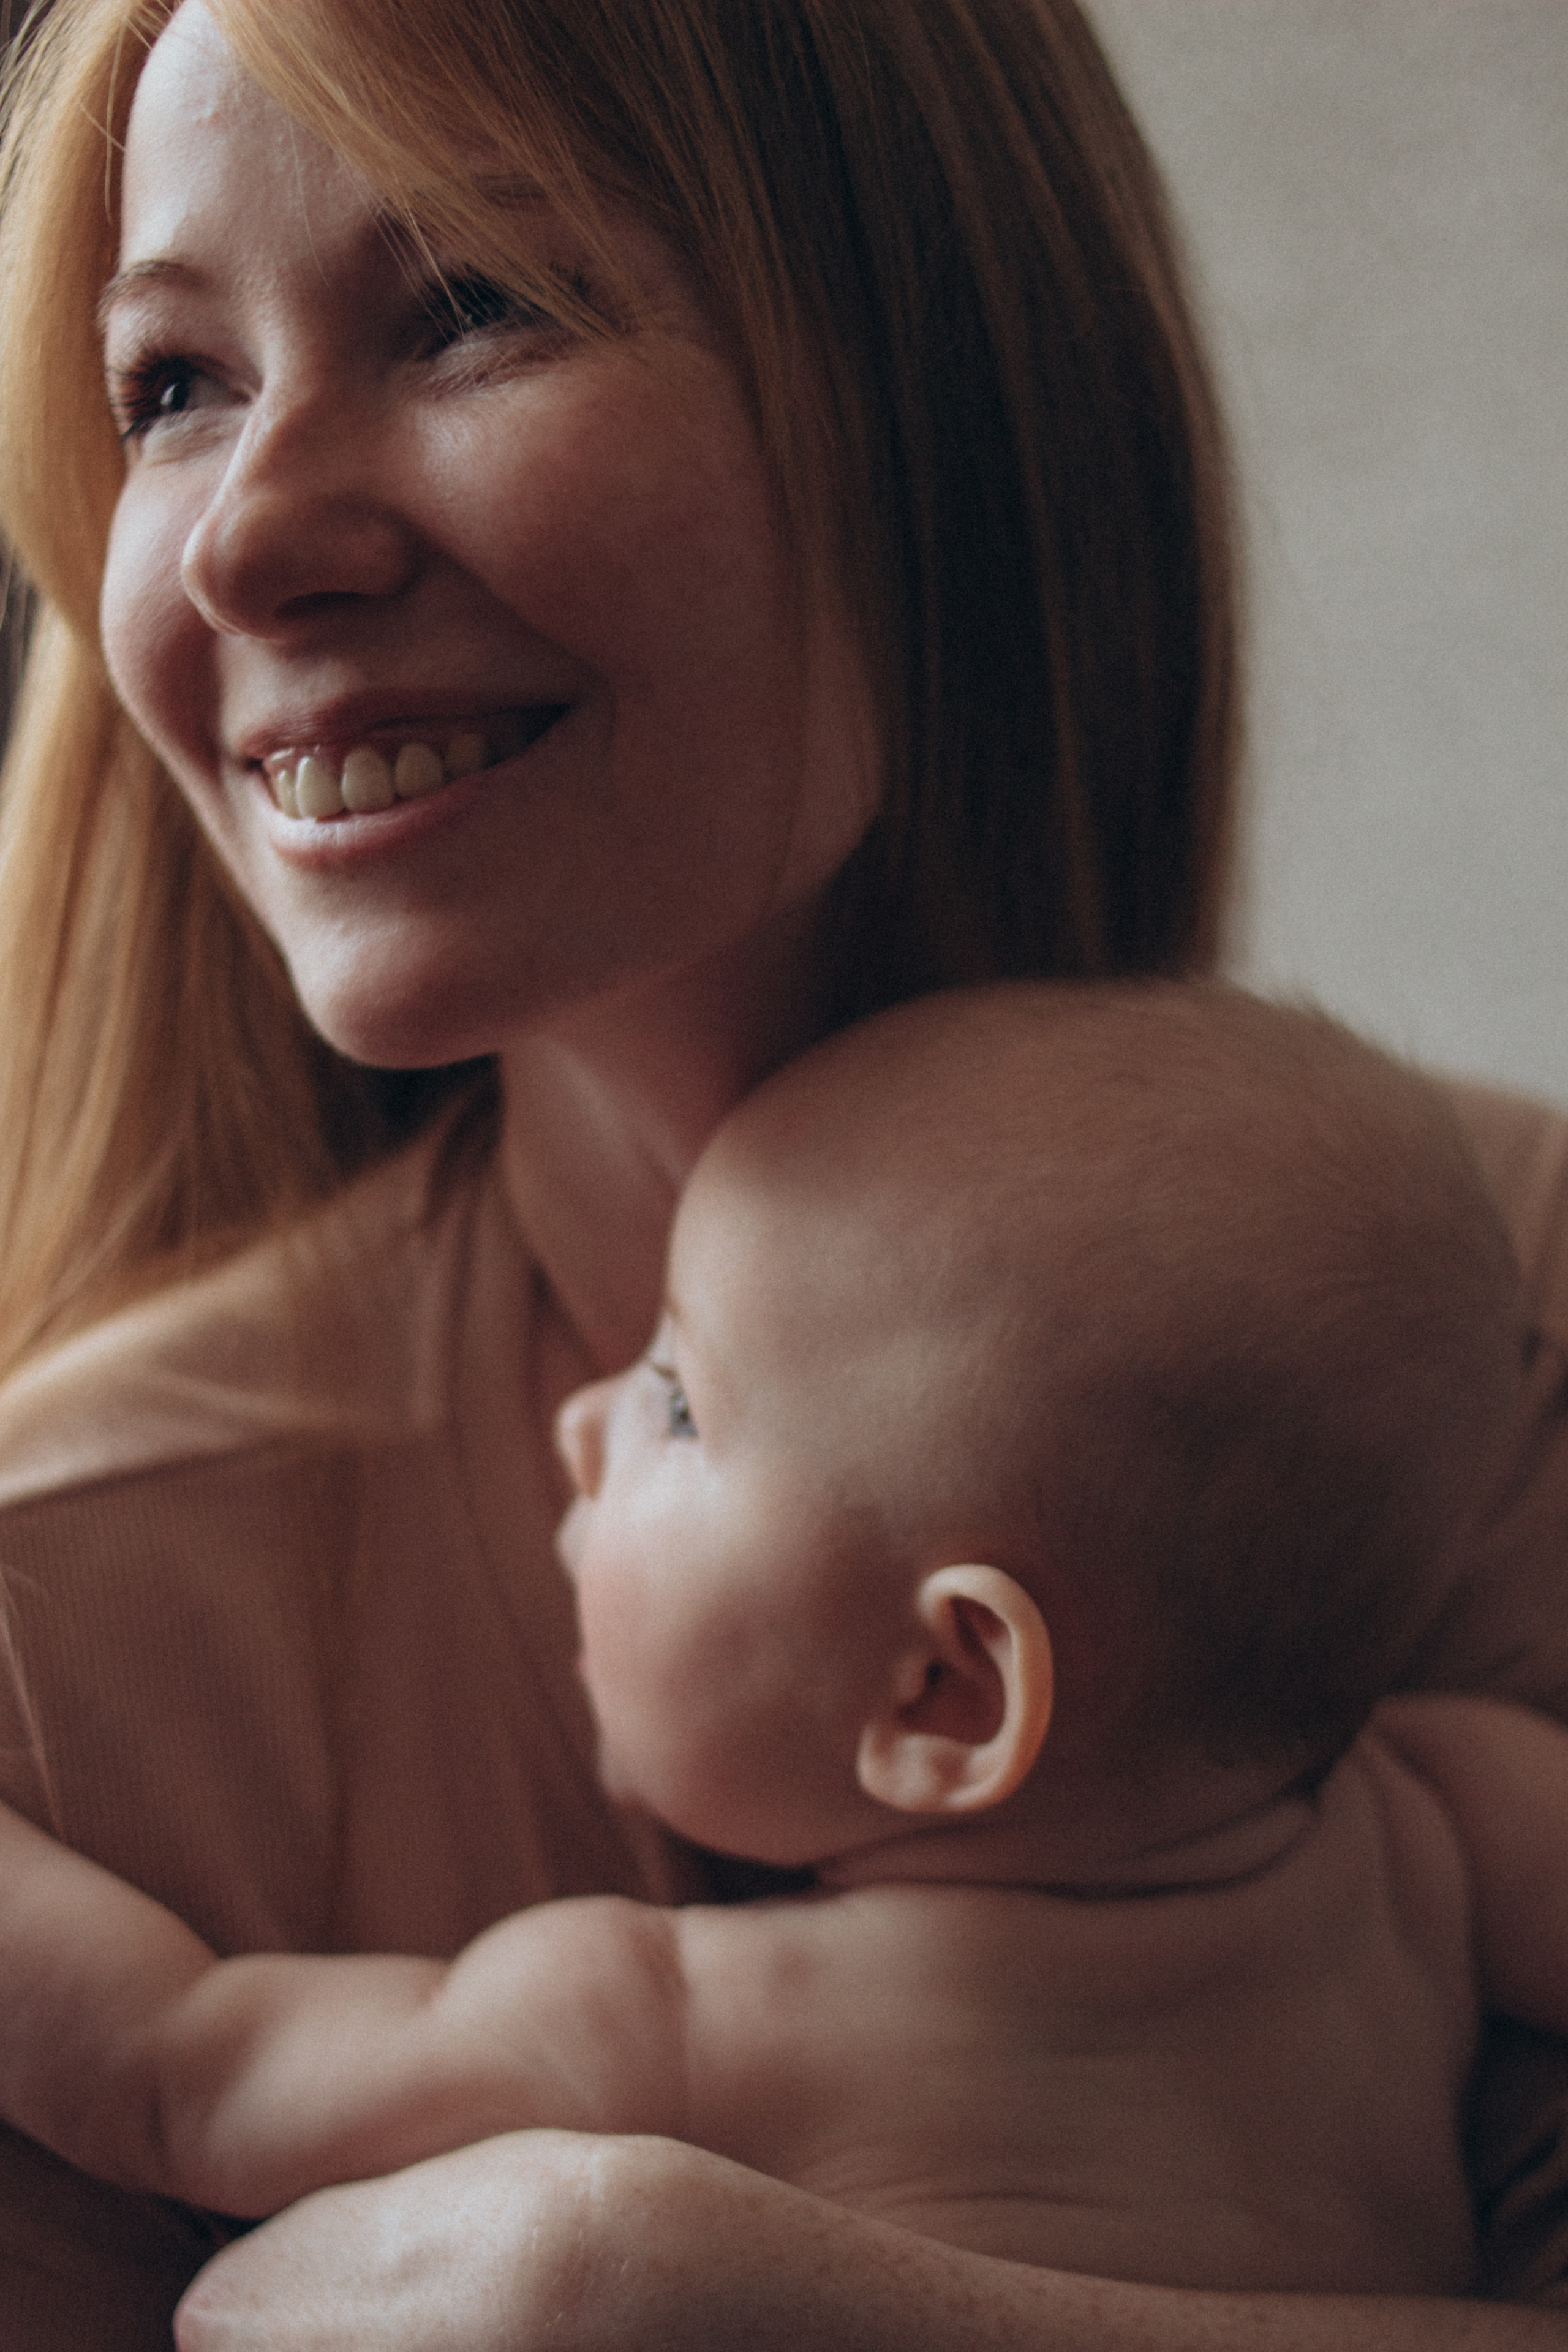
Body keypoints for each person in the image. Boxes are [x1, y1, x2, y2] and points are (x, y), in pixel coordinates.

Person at [0, 0, 1564, 2343]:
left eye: (473, 307)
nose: (248, 544)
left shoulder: (1498, 1334)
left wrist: (669, 2283)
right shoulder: (64, 1618)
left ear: (944, 400)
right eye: (169, 385)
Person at [0, 980, 1555, 2301]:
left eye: (680, 1399)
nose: (581, 1422)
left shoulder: (667, 2024)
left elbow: (182, 2075)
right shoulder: (1441, 1837)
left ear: (942, 1695)